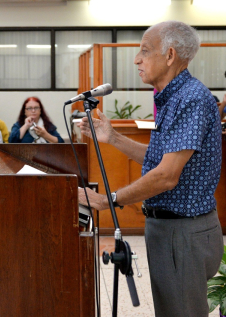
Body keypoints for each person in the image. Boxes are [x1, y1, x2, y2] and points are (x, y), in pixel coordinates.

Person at [77, 21, 223, 317]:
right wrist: (113, 137)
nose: (136, 59)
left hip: (182, 232)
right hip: (170, 229)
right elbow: (161, 160)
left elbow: (167, 176)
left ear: (170, 55)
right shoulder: (172, 98)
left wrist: (109, 201)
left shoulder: (191, 99)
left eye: (144, 51)